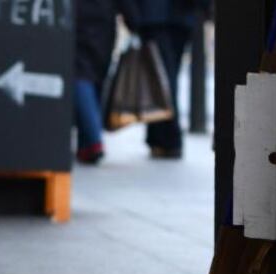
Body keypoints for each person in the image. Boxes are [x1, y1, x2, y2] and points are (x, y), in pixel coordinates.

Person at [138, 0, 210, 159]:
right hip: (179, 16)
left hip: (155, 16)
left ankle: (168, 138)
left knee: (162, 76)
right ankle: (160, 137)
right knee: (165, 75)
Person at [74, 0, 141, 164]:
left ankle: (90, 140)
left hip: (79, 20)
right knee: (92, 79)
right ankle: (89, 140)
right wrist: (134, 21)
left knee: (82, 77)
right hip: (102, 24)